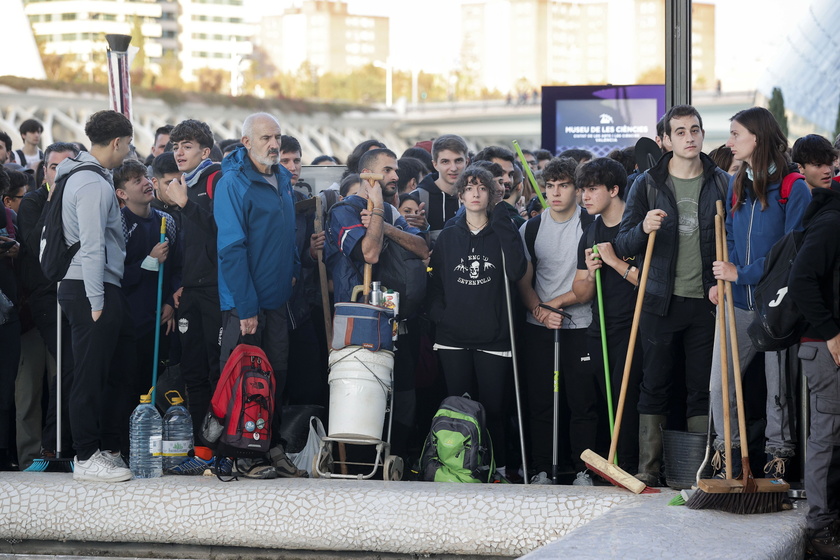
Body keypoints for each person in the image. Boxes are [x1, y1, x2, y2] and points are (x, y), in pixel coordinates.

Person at [613, 104, 729, 487]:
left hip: (706, 300)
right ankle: (648, 468)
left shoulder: (722, 181)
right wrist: (643, 227)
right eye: (680, 132)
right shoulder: (647, 183)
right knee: (654, 383)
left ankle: (697, 468)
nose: (690, 137)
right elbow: (624, 240)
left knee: (702, 386)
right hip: (659, 299)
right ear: (666, 139)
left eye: (695, 129)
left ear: (702, 134)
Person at [709, 107, 811, 478]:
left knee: (778, 388)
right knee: (721, 385)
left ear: (758, 137)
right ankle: (729, 456)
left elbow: (793, 252)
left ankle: (779, 456)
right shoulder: (738, 182)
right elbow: (732, 236)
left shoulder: (792, 186)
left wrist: (743, 272)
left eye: (736, 134)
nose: (729, 141)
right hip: (737, 301)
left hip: (777, 303)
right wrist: (727, 276)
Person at [213, 112, 306, 479]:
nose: (274, 144)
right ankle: (242, 453)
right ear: (246, 142)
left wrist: (295, 271)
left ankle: (271, 447)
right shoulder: (232, 183)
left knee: (275, 377)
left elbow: (286, 232)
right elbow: (232, 249)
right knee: (244, 381)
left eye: (277, 137)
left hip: (278, 301)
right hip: (245, 305)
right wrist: (246, 307)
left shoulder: (281, 177)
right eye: (266, 137)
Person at [325, 148, 430, 458]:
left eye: (395, 170)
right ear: (367, 176)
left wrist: (383, 221)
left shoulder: (391, 212)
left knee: (405, 397)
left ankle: (395, 456)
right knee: (364, 394)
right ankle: (361, 464)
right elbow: (369, 253)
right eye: (387, 170)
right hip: (361, 322)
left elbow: (422, 247)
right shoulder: (344, 211)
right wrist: (378, 216)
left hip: (397, 320)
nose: (395, 177)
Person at [427, 165, 526, 478]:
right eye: (469, 188)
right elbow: (435, 284)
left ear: (492, 194)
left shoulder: (503, 230)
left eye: (482, 188)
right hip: (452, 337)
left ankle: (497, 466)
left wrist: (503, 222)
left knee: (495, 409)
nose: (475, 194)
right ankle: (459, 464)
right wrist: (441, 315)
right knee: (457, 407)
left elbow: (517, 271)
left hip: (494, 337)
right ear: (460, 195)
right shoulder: (448, 237)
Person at [57, 110, 135, 482]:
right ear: (118, 142)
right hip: (91, 287)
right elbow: (91, 246)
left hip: (98, 286)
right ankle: (86, 456)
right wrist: (97, 301)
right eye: (129, 144)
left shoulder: (87, 177)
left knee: (111, 373)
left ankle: (103, 448)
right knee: (88, 375)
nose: (130, 151)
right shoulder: (92, 184)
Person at [517, 156, 598, 484]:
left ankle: (584, 470)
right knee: (541, 403)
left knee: (582, 403)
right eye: (549, 186)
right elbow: (523, 279)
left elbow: (589, 287)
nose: (555, 192)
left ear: (577, 190)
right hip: (539, 328)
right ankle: (541, 470)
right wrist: (538, 310)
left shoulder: (590, 225)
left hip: (580, 325)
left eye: (563, 185)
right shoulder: (531, 227)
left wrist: (552, 307)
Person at [156, 119, 224, 473]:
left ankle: (224, 450)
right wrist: (181, 281)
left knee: (217, 372)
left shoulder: (217, 180)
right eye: (175, 146)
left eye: (186, 146)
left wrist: (185, 205)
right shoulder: (182, 186)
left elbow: (223, 235)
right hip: (193, 292)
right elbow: (188, 247)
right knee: (193, 373)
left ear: (205, 151)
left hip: (218, 291)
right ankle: (202, 454)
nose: (178, 152)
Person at [571, 158, 642, 473]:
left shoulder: (636, 225)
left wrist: (612, 261)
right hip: (599, 328)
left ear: (614, 190)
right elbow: (582, 291)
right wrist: (590, 273)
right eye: (583, 190)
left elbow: (650, 281)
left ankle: (629, 464)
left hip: (635, 326)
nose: (585, 196)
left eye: (592, 189)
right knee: (608, 399)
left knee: (628, 401)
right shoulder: (591, 229)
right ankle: (615, 463)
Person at [15, 141, 79, 469]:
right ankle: (43, 450)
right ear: (44, 171)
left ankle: (62, 443)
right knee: (46, 378)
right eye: (55, 167)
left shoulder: (79, 198)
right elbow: (37, 244)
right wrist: (54, 204)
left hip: (72, 293)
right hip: (42, 297)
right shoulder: (33, 201)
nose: (61, 173)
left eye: (68, 167)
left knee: (67, 371)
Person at [789, 178, 840, 560]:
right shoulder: (831, 219)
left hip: (827, 342)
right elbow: (801, 280)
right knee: (828, 436)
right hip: (825, 347)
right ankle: (819, 529)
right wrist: (832, 333)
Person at [113, 159, 181, 404]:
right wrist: (149, 262)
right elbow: (114, 273)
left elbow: (177, 269)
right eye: (136, 180)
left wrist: (171, 302)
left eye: (145, 177)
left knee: (157, 386)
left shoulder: (167, 221)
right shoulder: (118, 224)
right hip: (129, 321)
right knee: (128, 387)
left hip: (162, 320)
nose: (146, 183)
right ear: (122, 193)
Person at [410, 134, 467, 246]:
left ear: (467, 161)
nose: (453, 168)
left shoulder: (478, 197)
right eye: (445, 162)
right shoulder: (417, 198)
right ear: (435, 164)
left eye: (458, 161)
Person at [0, 168, 20, 470]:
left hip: (9, 311)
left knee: (6, 385)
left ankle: (4, 450)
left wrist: (13, 249)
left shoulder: (9, 217)